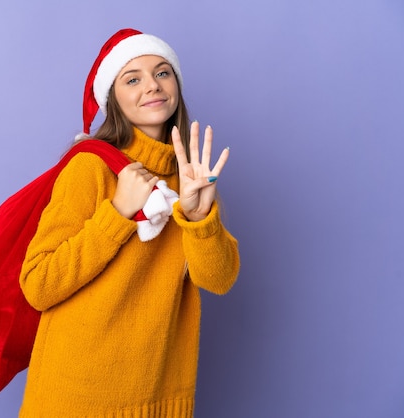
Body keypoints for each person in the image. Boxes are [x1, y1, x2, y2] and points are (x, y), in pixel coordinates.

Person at [18, 28, 240, 417]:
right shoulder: (90, 167)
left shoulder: (188, 175)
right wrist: (118, 212)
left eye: (162, 72)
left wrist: (199, 217)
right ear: (113, 98)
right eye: (132, 78)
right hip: (77, 397)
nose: (151, 86)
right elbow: (39, 284)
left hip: (159, 394)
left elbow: (218, 280)